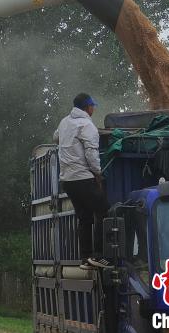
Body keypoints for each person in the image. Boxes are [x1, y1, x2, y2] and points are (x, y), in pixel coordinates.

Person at [54, 92, 110, 270]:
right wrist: (98, 173)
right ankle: (100, 256)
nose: (94, 109)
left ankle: (85, 258)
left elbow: (55, 137)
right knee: (103, 210)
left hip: (68, 181)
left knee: (84, 217)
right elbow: (92, 154)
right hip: (83, 178)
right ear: (88, 107)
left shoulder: (64, 122)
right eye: (93, 106)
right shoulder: (87, 125)